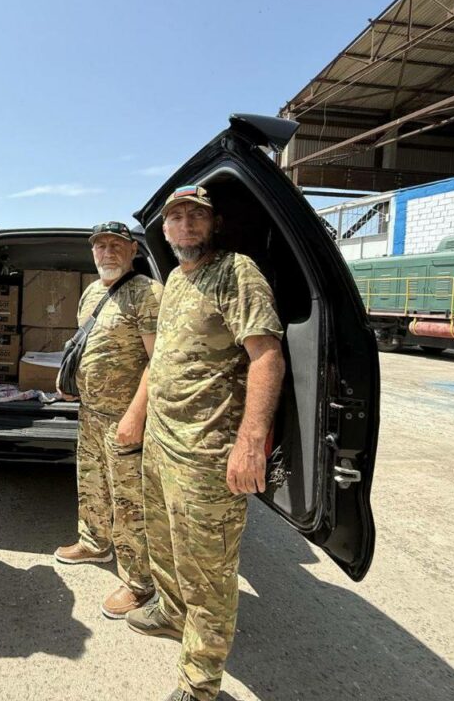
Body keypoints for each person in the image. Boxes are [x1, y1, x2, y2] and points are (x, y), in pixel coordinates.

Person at [124, 186, 285, 701]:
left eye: (197, 215)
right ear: (165, 229)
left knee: (208, 570)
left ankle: (200, 683)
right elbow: (163, 358)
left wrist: (250, 441)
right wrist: (138, 417)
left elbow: (266, 355)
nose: (186, 224)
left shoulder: (236, 272)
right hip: (162, 442)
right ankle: (172, 614)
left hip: (207, 452)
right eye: (176, 217)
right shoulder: (174, 278)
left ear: (213, 223)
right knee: (164, 544)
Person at [53, 221, 163, 619]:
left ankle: (139, 583)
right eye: (100, 246)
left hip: (125, 419)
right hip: (91, 413)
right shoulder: (91, 292)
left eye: (116, 245)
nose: (107, 252)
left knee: (130, 501)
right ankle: (94, 543)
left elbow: (158, 362)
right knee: (92, 484)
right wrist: (69, 379)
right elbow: (87, 344)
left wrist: (135, 415)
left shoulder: (147, 293)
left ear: (133, 250)